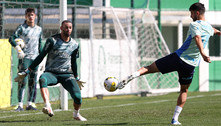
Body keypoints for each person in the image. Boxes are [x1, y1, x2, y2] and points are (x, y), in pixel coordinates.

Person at [117, 2, 221, 125]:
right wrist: (216, 36)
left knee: (149, 68)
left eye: (191, 13)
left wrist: (203, 54)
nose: (190, 16)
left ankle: (132, 76)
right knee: (184, 91)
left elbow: (197, 37)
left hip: (178, 58)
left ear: (197, 13)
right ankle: (175, 120)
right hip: (190, 65)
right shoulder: (208, 27)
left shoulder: (194, 25)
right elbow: (214, 31)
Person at [14, 20, 87, 121]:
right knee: (42, 79)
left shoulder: (74, 44)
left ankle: (76, 114)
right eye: (66, 27)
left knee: (78, 97)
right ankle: (48, 106)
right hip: (52, 73)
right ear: (61, 28)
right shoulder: (52, 40)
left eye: (70, 27)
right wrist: (27, 71)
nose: (68, 29)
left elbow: (73, 62)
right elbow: (41, 56)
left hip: (66, 74)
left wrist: (77, 77)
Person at [9, 8, 42, 111]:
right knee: (22, 80)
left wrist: (42, 60)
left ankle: (30, 104)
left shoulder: (39, 29)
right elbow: (11, 38)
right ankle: (19, 105)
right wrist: (18, 49)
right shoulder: (22, 28)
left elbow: (40, 44)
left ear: (35, 16)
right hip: (25, 58)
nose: (30, 17)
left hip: (35, 58)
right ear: (25, 16)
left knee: (33, 81)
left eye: (32, 15)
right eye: (28, 15)